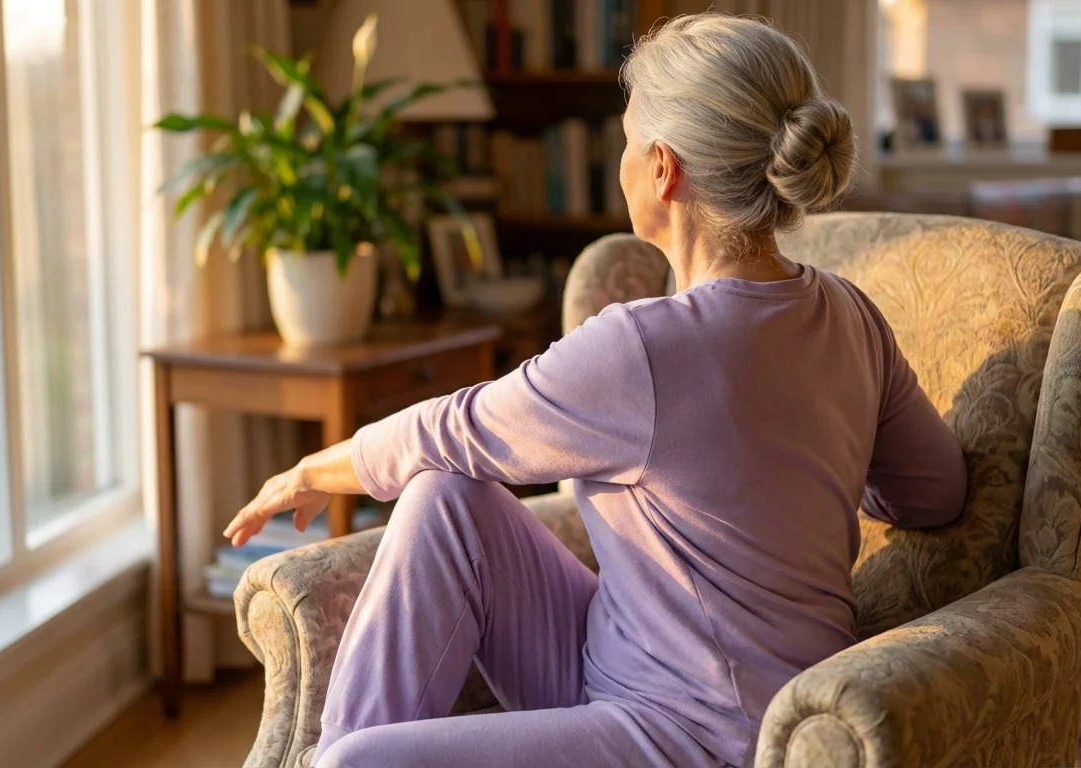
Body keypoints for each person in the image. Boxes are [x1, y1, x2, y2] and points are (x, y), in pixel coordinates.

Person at [224, 13, 967, 768]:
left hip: (700, 738)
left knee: (356, 763)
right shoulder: (849, 313)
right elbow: (936, 492)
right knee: (445, 498)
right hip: (628, 666)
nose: (620, 161)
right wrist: (820, 465)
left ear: (662, 168)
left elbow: (456, 425)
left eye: (624, 140)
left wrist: (312, 469)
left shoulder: (645, 346)